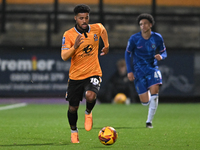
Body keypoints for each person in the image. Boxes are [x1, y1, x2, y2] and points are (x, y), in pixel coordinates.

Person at [61, 4, 109, 143]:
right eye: (81, 18)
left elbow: (103, 30)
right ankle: (74, 131)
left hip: (93, 72)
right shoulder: (68, 34)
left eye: (86, 18)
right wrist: (74, 47)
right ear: (75, 18)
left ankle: (88, 112)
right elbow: (64, 56)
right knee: (73, 107)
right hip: (75, 76)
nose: (84, 21)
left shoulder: (96, 28)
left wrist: (106, 45)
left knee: (90, 94)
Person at [125, 13, 167, 128]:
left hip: (152, 69)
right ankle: (147, 94)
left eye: (145, 24)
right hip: (139, 71)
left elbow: (164, 52)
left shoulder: (157, 37)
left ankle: (149, 122)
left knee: (155, 94)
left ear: (150, 25)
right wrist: (129, 71)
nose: (143, 26)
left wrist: (161, 56)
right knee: (145, 102)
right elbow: (127, 54)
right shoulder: (134, 39)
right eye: (141, 24)